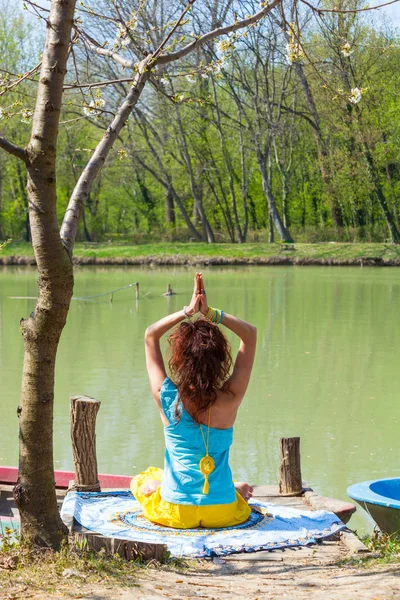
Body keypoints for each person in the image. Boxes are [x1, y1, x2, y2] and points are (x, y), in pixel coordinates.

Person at [131, 272, 257, 529]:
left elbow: (150, 335)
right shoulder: (231, 398)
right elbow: (251, 334)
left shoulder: (167, 398)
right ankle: (231, 489)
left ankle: (165, 485)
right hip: (221, 511)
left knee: (144, 478)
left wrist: (187, 311)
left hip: (178, 512)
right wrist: (211, 313)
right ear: (222, 359)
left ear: (179, 359)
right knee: (187, 477)